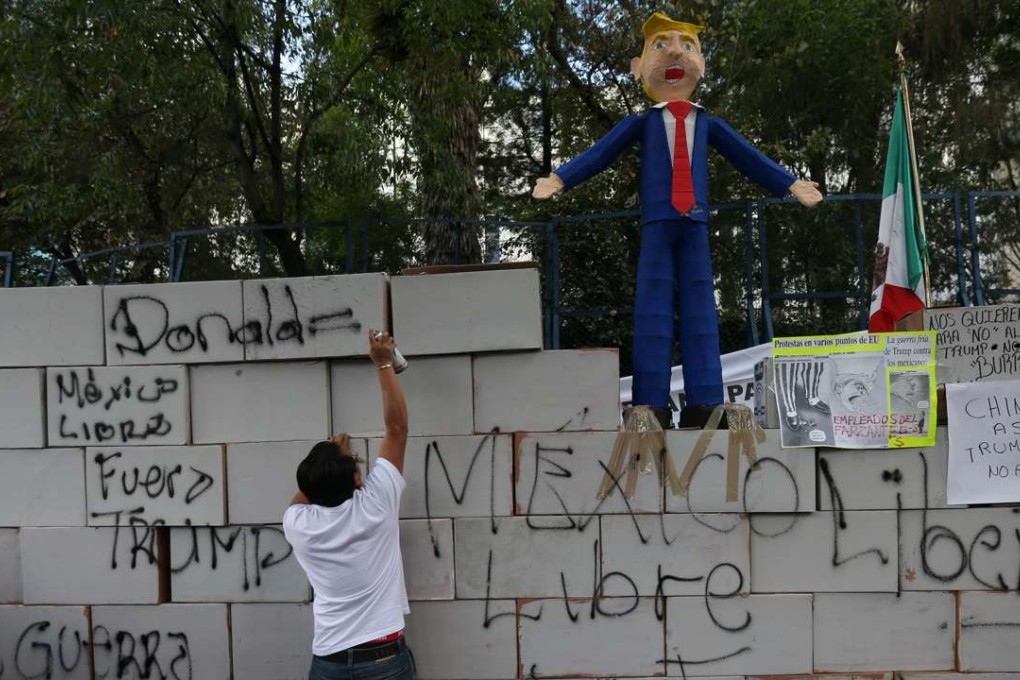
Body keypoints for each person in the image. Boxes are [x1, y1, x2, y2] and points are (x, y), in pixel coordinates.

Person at [533, 12, 823, 429]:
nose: (674, 52)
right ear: (638, 68)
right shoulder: (641, 123)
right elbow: (600, 152)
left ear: (701, 64)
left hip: (695, 225)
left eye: (686, 46)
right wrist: (560, 177)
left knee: (702, 311)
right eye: (661, 45)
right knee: (651, 313)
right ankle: (649, 403)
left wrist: (790, 184)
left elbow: (748, 157)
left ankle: (705, 401)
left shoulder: (708, 124)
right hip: (657, 225)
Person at [283, 330, 412, 680]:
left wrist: (330, 458)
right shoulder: (376, 503)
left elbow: (307, 487)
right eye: (354, 461)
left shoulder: (298, 525)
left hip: (329, 662)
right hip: (384, 659)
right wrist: (384, 362)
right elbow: (397, 429)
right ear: (356, 480)